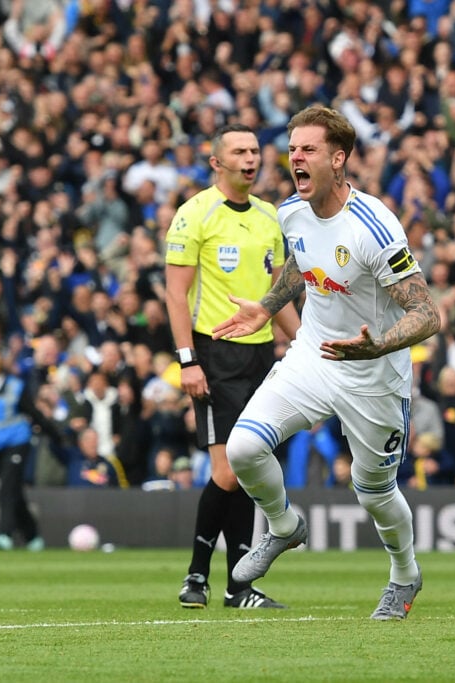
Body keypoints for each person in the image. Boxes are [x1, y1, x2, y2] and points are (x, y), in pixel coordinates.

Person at [214, 106, 441, 620]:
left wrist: (378, 345)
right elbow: (300, 263)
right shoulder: (291, 211)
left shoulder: (375, 226)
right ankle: (284, 525)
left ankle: (405, 574)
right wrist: (267, 308)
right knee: (244, 447)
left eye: (308, 149)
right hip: (313, 355)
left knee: (375, 494)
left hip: (374, 377)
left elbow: (428, 312)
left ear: (338, 159)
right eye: (292, 148)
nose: (295, 157)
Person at [165, 123, 300, 610]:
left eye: (255, 150)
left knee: (247, 468)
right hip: (215, 355)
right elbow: (175, 293)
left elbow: (277, 296)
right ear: (216, 162)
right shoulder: (194, 214)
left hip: (262, 356)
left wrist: (304, 344)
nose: (250, 158)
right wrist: (188, 361)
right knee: (226, 470)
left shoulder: (269, 217)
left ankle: (237, 586)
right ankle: (197, 576)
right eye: (239, 151)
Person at [0, 350, 65, 551]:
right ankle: (32, 537)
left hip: (17, 442)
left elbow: (33, 412)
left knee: (6, 488)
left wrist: (55, 434)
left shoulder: (15, 387)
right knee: (14, 491)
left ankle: (4, 535)